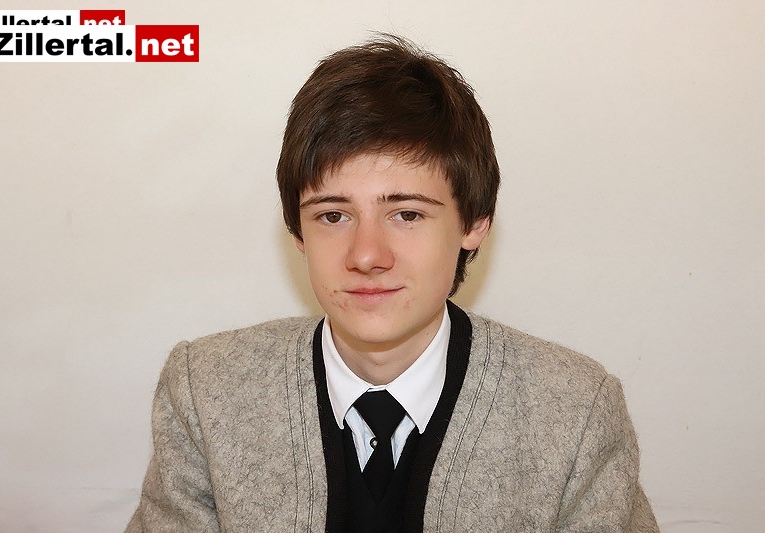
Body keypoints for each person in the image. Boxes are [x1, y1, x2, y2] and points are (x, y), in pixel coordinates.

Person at [126, 35, 658, 532]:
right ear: (298, 233)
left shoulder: (577, 413)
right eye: (333, 216)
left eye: (406, 214)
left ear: (475, 223)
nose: (366, 256)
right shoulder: (205, 392)